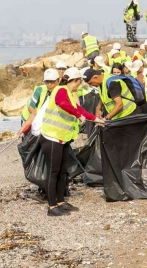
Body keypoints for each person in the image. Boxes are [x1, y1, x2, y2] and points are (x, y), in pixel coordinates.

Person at [40, 67, 104, 216]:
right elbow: (64, 105)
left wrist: (96, 120)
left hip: (62, 138)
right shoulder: (61, 90)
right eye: (79, 82)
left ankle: (61, 201)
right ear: (74, 81)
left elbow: (79, 110)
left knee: (63, 171)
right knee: (53, 172)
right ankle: (51, 206)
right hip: (51, 137)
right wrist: (77, 115)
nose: (80, 85)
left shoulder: (68, 92)